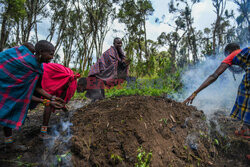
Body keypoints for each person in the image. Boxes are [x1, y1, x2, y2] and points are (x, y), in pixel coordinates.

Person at [183, 43, 250, 159]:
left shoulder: (231, 55)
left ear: (229, 51)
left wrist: (195, 92)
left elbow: (214, 75)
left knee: (244, 91)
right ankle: (246, 128)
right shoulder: (244, 53)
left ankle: (246, 128)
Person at [0, 40, 64, 150]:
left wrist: (52, 98)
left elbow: (37, 88)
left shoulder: (39, 69)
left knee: (10, 109)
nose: (52, 57)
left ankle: (8, 143)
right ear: (41, 52)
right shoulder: (25, 61)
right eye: (50, 54)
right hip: (4, 85)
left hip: (12, 92)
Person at [30, 62, 80, 139]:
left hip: (46, 81)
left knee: (51, 101)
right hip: (40, 79)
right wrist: (49, 100)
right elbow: (34, 93)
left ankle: (43, 131)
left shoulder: (70, 83)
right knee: (49, 103)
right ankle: (43, 132)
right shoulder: (43, 74)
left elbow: (60, 99)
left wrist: (67, 112)